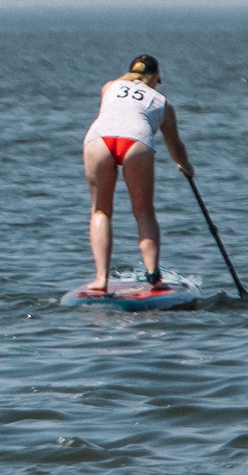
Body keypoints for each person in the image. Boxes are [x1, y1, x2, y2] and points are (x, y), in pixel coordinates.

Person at [81, 53, 192, 294]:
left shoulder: (109, 87)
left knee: (101, 210)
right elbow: (175, 146)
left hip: (98, 139)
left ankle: (100, 279)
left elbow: (125, 83)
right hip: (136, 141)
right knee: (144, 212)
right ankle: (154, 277)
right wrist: (186, 167)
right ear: (156, 78)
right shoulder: (163, 103)